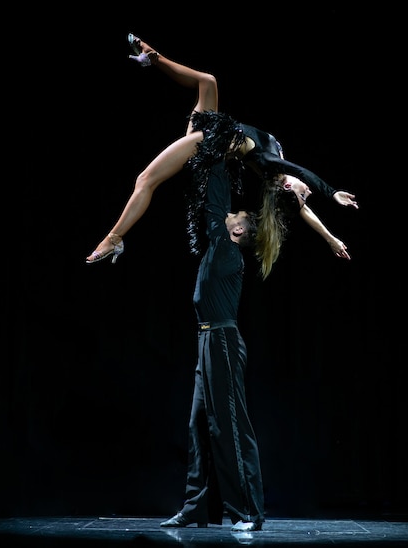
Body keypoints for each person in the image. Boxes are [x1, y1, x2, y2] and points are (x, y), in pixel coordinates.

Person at [86, 33, 358, 278]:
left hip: (207, 143)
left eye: (304, 193)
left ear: (288, 186)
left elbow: (303, 177)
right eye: (307, 194)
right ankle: (150, 57)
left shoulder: (271, 165)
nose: (307, 193)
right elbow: (304, 209)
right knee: (207, 81)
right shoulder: (279, 177)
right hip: (213, 126)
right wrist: (330, 238)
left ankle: (115, 237)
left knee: (146, 179)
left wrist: (331, 192)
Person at [160, 157, 265, 532]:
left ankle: (247, 512)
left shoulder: (225, 248)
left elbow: (215, 203)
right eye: (232, 212)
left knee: (230, 429)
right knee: (199, 426)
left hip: (221, 339)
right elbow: (217, 208)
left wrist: (218, 160)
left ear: (237, 231)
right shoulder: (221, 248)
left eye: (235, 215)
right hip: (207, 340)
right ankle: (197, 508)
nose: (229, 215)